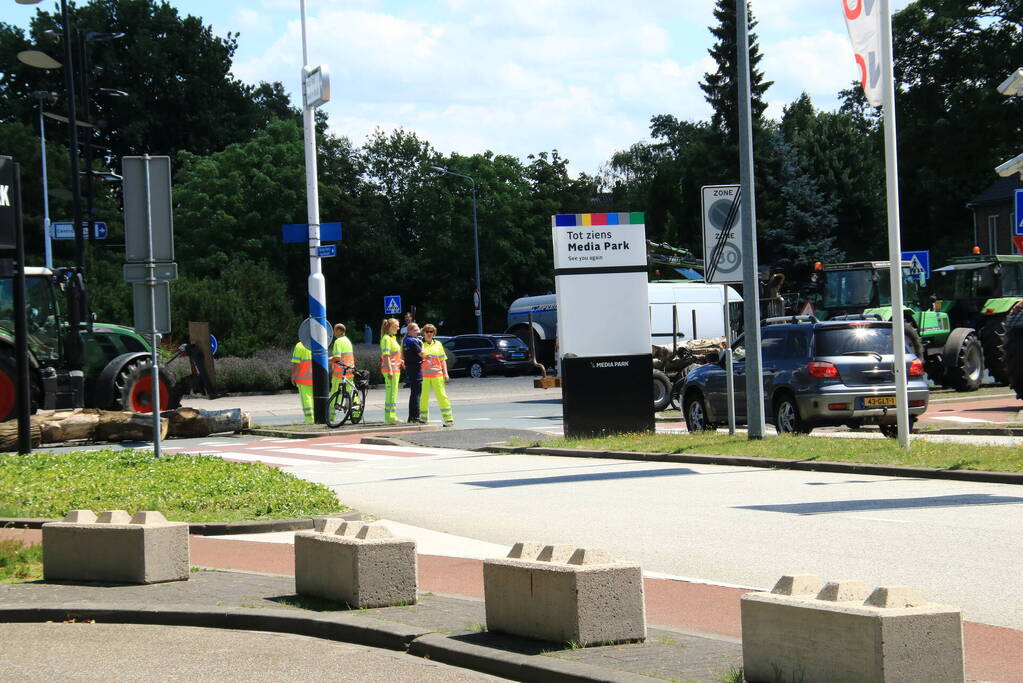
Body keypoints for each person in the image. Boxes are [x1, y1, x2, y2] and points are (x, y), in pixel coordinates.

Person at [419, 323, 453, 426]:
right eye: (427, 331)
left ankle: (448, 419)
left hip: (437, 374)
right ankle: (424, 418)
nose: (429, 333)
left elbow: (442, 360)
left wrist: (445, 373)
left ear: (434, 333)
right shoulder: (420, 344)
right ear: (423, 333)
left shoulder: (438, 344)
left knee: (442, 396)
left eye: (431, 331)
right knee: (423, 397)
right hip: (424, 375)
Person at [330, 323, 360, 419]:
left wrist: (329, 360)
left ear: (339, 331)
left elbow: (337, 357)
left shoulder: (338, 341)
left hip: (340, 373)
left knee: (334, 395)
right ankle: (350, 413)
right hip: (350, 371)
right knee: (348, 394)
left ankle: (330, 416)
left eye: (335, 330)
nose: (334, 332)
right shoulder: (347, 340)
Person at [379, 317, 403, 424]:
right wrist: (389, 370)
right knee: (392, 394)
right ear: (390, 327)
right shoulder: (386, 339)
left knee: (393, 393)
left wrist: (400, 361)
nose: (398, 328)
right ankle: (390, 417)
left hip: (395, 369)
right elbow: (386, 356)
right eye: (396, 326)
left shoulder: (392, 338)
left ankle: (390, 416)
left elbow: (393, 355)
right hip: (391, 370)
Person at [403, 322, 424, 423]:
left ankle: (411, 416)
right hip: (415, 368)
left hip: (411, 368)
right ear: (410, 331)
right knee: (416, 393)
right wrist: (422, 345)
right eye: (416, 330)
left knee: (414, 393)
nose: (418, 332)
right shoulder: (413, 341)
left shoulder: (407, 340)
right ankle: (416, 416)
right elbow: (422, 354)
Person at [290, 340, 313, 423]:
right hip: (316, 378)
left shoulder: (299, 345)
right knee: (314, 398)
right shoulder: (316, 344)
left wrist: (293, 376)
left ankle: (309, 419)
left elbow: (296, 363)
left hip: (303, 379)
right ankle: (316, 417)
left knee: (306, 399)